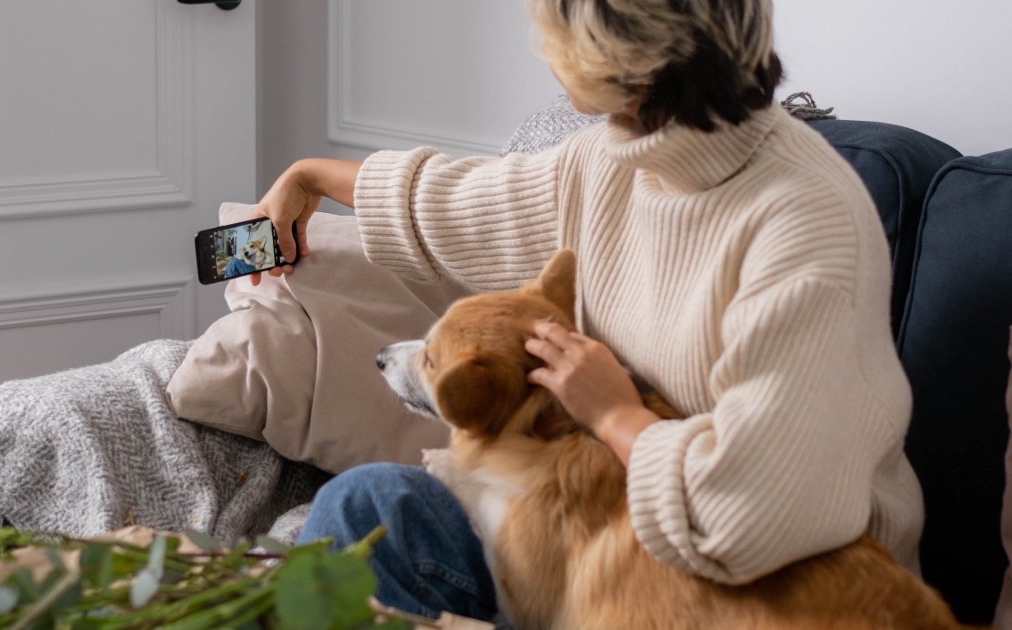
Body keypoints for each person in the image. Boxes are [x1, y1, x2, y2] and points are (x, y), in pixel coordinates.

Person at [249, 0, 924, 622]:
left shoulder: (804, 226)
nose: (542, 52)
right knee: (362, 508)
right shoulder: (610, 160)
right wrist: (309, 178)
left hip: (756, 594)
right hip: (591, 534)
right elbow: (460, 205)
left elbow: (747, 516)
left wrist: (616, 415)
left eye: (554, 37)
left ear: (620, 61)